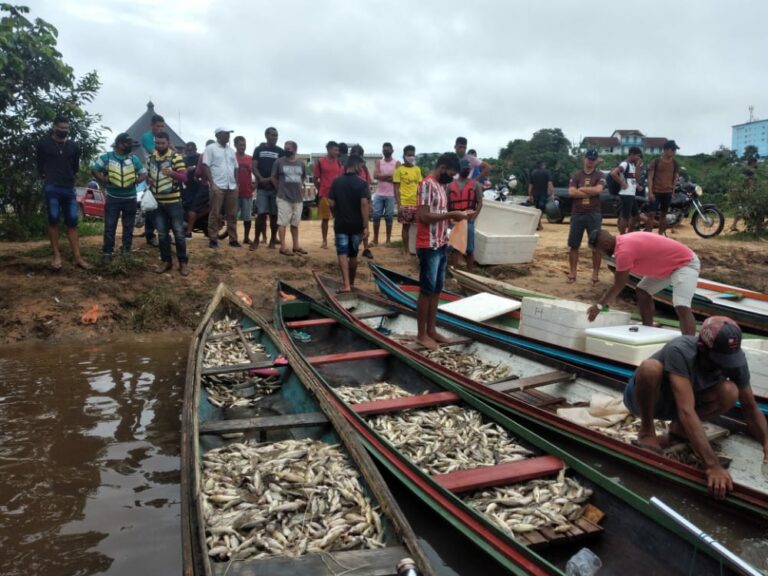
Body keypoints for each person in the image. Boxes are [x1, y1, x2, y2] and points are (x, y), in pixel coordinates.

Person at [623, 315, 768, 498]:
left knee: (731, 391)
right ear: (702, 348)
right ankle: (646, 432)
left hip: (683, 404)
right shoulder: (680, 350)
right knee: (651, 368)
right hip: (649, 399)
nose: (724, 364)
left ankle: (678, 431)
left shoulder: (735, 359)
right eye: (718, 359)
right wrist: (712, 465)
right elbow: (686, 410)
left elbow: (750, 406)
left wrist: (766, 441)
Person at [587, 229, 700, 335]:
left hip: (685, 263)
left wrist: (599, 306)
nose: (600, 254)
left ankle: (689, 344)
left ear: (606, 245)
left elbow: (619, 284)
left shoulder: (624, 251)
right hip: (667, 266)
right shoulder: (621, 242)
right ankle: (647, 329)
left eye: (599, 251)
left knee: (681, 305)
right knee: (642, 291)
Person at [415, 152, 472, 350]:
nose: (452, 177)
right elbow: (423, 216)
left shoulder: (441, 186)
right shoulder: (426, 185)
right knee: (426, 290)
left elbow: (439, 215)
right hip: (427, 245)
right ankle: (421, 334)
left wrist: (457, 217)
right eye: (451, 173)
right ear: (442, 167)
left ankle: (431, 329)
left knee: (437, 289)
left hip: (441, 243)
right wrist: (450, 214)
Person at [35, 115, 91, 270]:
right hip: (52, 186)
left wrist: (68, 177)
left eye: (66, 128)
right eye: (61, 128)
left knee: (72, 220)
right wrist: (46, 176)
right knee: (53, 219)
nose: (64, 131)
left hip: (68, 187)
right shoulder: (44, 143)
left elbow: (75, 167)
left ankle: (78, 258)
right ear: (54, 127)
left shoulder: (74, 146)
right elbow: (39, 164)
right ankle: (56, 255)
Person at [91, 133, 147, 263]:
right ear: (120, 144)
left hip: (130, 198)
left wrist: (137, 180)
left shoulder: (134, 159)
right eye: (128, 144)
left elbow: (143, 172)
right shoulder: (106, 157)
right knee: (110, 226)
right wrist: (103, 179)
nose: (130, 147)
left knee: (128, 227)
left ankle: (126, 251)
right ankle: (107, 252)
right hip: (113, 198)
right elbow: (94, 169)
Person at [146, 132, 189, 275]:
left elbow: (184, 178)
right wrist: (149, 180)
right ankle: (166, 261)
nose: (160, 146)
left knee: (179, 233)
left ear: (168, 143)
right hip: (157, 203)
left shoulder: (176, 157)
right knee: (162, 234)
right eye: (157, 143)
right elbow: (147, 175)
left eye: (162, 143)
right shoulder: (150, 158)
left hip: (174, 202)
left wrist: (172, 174)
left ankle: (183, 263)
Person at [328, 154, 370, 292]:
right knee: (353, 254)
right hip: (356, 225)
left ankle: (345, 284)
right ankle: (351, 283)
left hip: (341, 224)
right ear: (357, 165)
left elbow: (331, 203)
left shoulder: (336, 182)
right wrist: (365, 226)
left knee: (342, 253)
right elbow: (364, 204)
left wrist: (335, 214)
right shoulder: (362, 183)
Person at [566, 149, 605, 284]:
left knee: (596, 246)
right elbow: (571, 192)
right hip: (577, 213)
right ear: (584, 158)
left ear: (596, 160)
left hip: (594, 213)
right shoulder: (576, 175)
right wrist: (590, 192)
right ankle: (572, 272)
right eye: (589, 158)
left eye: (593, 159)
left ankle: (595, 274)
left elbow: (598, 190)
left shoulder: (600, 175)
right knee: (573, 245)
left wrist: (581, 189)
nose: (590, 161)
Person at [202, 127, 239, 249]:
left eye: (229, 133)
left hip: (231, 186)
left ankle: (233, 239)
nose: (228, 136)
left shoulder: (231, 150)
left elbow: (236, 167)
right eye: (226, 133)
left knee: (232, 214)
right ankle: (213, 238)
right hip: (218, 185)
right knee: (215, 213)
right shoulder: (210, 148)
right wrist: (212, 184)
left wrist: (237, 184)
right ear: (218, 135)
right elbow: (206, 166)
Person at [271, 140, 307, 256]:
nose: (286, 149)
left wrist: (299, 188)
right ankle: (283, 247)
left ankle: (296, 246)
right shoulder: (279, 162)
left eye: (289, 148)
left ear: (295, 150)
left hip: (298, 198)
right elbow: (273, 177)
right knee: (282, 223)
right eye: (285, 147)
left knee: (295, 224)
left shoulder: (301, 164)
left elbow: (303, 177)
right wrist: (279, 189)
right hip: (283, 197)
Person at [251, 127, 283, 250]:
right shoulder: (259, 149)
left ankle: (272, 241)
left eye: (276, 135)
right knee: (261, 214)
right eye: (272, 135)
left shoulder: (280, 151)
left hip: (275, 188)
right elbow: (254, 167)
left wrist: (274, 181)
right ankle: (256, 241)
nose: (275, 137)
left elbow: (282, 169)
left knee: (274, 215)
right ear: (266, 135)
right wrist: (261, 179)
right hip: (262, 188)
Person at [448, 158, 483, 271]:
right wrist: (449, 218)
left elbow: (480, 203)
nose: (467, 170)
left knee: (469, 249)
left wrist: (473, 217)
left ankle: (470, 272)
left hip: (468, 221)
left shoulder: (475, 184)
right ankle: (455, 271)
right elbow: (446, 204)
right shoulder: (450, 186)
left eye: (469, 168)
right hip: (455, 221)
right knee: (454, 247)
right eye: (465, 168)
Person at [312, 140, 344, 249]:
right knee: (325, 218)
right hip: (324, 194)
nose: (337, 152)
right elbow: (315, 179)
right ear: (329, 149)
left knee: (338, 218)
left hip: (337, 195)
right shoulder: (320, 162)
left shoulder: (339, 163)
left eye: (338, 150)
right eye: (335, 150)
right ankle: (324, 241)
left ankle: (337, 239)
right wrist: (320, 189)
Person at [140, 113, 165, 247]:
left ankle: (163, 234)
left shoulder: (163, 139)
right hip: (151, 174)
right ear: (152, 126)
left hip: (164, 176)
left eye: (162, 126)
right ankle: (150, 235)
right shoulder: (147, 137)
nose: (160, 129)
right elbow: (154, 152)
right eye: (158, 126)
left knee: (164, 205)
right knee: (152, 206)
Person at [393, 145, 422, 255]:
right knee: (406, 227)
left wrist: (420, 202)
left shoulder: (417, 169)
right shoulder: (399, 170)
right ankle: (406, 251)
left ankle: (416, 249)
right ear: (404, 155)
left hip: (416, 203)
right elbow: (396, 188)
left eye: (413, 154)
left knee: (418, 228)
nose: (411, 157)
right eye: (409, 154)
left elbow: (420, 186)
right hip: (404, 203)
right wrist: (399, 203)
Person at [646, 140, 680, 235]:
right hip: (656, 192)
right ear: (666, 150)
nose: (674, 152)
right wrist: (650, 192)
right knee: (651, 214)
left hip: (667, 192)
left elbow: (675, 178)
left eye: (675, 150)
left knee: (663, 215)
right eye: (673, 150)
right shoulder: (656, 162)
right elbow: (650, 177)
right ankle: (648, 235)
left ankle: (660, 235)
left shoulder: (675, 163)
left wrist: (672, 191)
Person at [611, 146, 644, 234]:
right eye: (637, 156)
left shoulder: (632, 165)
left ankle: (629, 233)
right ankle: (622, 235)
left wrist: (637, 167)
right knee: (625, 216)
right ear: (632, 155)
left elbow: (636, 179)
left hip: (631, 194)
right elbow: (613, 173)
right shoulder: (624, 164)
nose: (638, 158)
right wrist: (622, 183)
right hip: (625, 194)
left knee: (635, 216)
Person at [372, 142, 399, 246]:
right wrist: (390, 176)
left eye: (388, 149)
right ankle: (375, 239)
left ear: (392, 150)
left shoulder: (397, 162)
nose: (386, 150)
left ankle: (388, 240)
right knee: (376, 216)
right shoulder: (379, 162)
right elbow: (375, 175)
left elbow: (396, 177)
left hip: (391, 195)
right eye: (384, 149)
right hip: (379, 194)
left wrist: (382, 176)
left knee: (389, 217)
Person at [350, 144, 374, 259]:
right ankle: (351, 247)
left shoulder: (363, 168)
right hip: (349, 200)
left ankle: (366, 248)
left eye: (359, 154)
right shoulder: (345, 167)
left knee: (365, 223)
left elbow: (367, 184)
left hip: (362, 199)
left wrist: (369, 201)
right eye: (355, 154)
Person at [234, 136, 255, 244]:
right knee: (232, 216)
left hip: (247, 192)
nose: (243, 146)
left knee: (247, 217)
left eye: (244, 144)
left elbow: (255, 173)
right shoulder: (232, 157)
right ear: (235, 145)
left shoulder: (249, 158)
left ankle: (246, 237)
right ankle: (232, 237)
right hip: (234, 192)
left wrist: (254, 186)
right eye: (241, 144)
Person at [730, 156, 758, 232]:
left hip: (741, 192)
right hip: (747, 193)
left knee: (741, 210)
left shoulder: (744, 170)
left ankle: (734, 225)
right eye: (756, 162)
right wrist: (750, 191)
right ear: (753, 162)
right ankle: (749, 226)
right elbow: (751, 182)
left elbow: (739, 181)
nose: (757, 164)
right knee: (748, 210)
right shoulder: (750, 171)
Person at [527, 161, 554, 231]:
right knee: (541, 209)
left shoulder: (533, 173)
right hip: (543, 194)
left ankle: (538, 224)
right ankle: (538, 224)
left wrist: (530, 195)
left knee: (537, 209)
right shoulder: (546, 172)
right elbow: (550, 183)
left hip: (535, 194)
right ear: (543, 165)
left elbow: (530, 185)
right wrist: (552, 193)